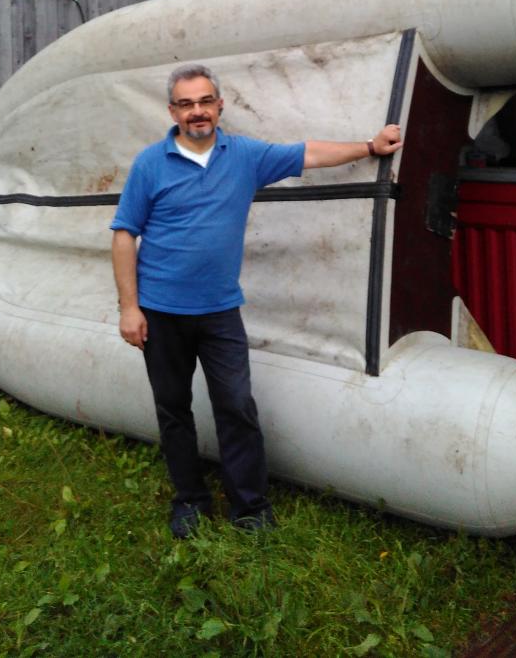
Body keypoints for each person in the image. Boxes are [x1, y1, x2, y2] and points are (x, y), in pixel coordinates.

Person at [111, 63, 402, 538]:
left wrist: (369, 147)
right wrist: (129, 307)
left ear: (220, 105)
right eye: (186, 104)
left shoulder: (244, 156)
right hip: (161, 312)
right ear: (172, 111)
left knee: (236, 405)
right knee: (173, 409)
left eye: (205, 101)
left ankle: (250, 506)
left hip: (220, 310)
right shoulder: (150, 164)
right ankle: (190, 501)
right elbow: (124, 234)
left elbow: (307, 153)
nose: (197, 111)